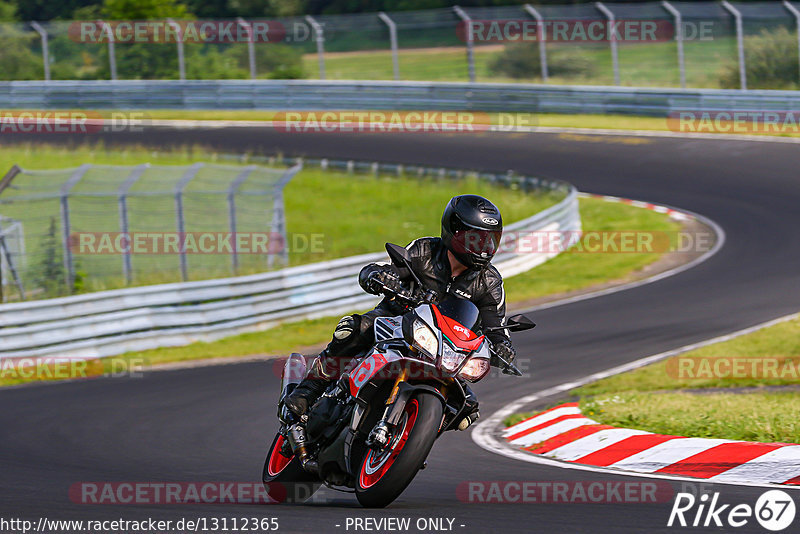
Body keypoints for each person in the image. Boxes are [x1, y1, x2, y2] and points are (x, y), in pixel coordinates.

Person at [283, 194, 517, 430]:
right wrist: (379, 276)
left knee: (467, 409)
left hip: (445, 349)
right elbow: (393, 269)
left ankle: (413, 435)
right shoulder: (425, 251)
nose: (484, 248)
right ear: (453, 230)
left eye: (490, 239)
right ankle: (308, 391)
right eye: (475, 238)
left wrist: (503, 348)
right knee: (353, 329)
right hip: (396, 321)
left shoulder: (490, 282)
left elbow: (496, 326)